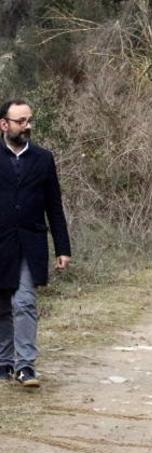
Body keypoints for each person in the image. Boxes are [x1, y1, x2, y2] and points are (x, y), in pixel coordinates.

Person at [0, 98, 71, 387]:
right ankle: (5, 361)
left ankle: (25, 365)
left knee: (25, 302)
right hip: (0, 243)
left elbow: (54, 205)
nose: (27, 126)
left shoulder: (43, 158)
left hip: (31, 242)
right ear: (4, 124)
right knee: (2, 305)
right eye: (20, 121)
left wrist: (63, 248)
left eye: (29, 120)